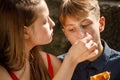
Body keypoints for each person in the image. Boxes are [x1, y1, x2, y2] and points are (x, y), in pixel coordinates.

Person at [0, 0, 98, 80]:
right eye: (45, 21)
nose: (53, 24)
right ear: (25, 32)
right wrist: (71, 60)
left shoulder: (51, 62)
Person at [58, 0, 120, 80]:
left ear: (101, 24)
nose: (81, 35)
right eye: (71, 29)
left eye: (85, 25)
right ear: (65, 34)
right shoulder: (58, 66)